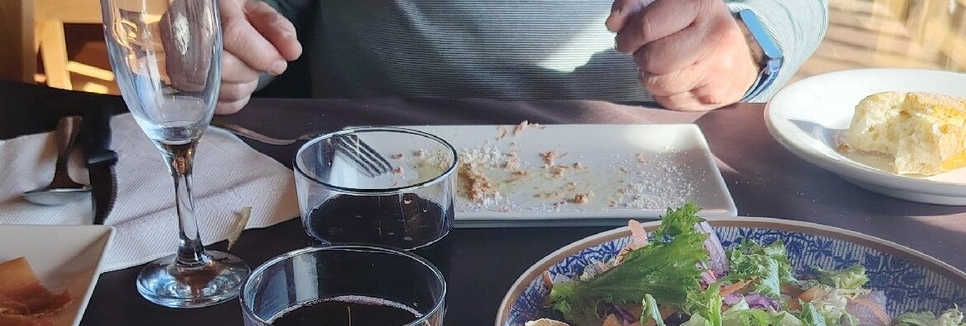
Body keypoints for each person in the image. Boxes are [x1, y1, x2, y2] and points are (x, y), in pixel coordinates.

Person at [215, 0, 828, 114]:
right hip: (370, 172)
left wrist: (750, 40)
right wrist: (236, 44)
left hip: (645, 177)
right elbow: (269, 14)